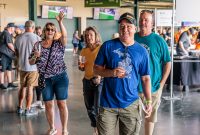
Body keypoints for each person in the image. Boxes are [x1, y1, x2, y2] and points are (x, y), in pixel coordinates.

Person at [94, 12, 152, 135]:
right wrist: (111, 72)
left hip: (130, 104)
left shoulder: (142, 51)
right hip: (108, 105)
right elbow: (96, 69)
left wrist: (148, 101)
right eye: (122, 26)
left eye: (129, 26)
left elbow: (146, 78)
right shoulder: (107, 46)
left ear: (135, 29)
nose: (125, 29)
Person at [29, 11, 69, 135]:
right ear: (44, 32)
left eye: (52, 29)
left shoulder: (59, 43)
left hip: (60, 76)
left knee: (61, 103)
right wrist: (35, 57)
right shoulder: (37, 45)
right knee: (48, 104)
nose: (50, 31)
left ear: (55, 31)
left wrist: (60, 22)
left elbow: (65, 35)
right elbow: (30, 62)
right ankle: (52, 127)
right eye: (48, 29)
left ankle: (65, 129)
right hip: (45, 78)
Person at [135, 10, 171, 135]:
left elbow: (167, 62)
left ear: (152, 23)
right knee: (132, 120)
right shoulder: (132, 38)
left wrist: (161, 85)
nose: (143, 22)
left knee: (149, 119)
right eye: (141, 19)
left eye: (146, 20)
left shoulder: (159, 41)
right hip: (133, 88)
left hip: (153, 88)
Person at [78, 26, 102, 135]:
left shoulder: (101, 48)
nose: (88, 37)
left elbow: (106, 64)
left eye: (91, 35)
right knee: (89, 108)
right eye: (86, 35)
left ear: (96, 36)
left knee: (97, 108)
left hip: (99, 81)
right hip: (87, 80)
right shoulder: (84, 50)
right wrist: (81, 67)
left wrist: (100, 77)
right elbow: (83, 66)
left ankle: (100, 130)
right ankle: (95, 127)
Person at [15, 20, 41, 116]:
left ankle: (19, 107)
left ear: (25, 27)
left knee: (22, 87)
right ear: (33, 28)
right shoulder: (37, 38)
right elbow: (39, 54)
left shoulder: (18, 38)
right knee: (30, 87)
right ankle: (28, 109)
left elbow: (16, 52)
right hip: (33, 67)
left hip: (22, 66)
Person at [0, 23, 18, 89]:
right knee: (2, 69)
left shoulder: (6, 33)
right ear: (11, 28)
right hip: (4, 54)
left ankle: (10, 83)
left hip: (8, 55)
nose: (14, 29)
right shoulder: (6, 33)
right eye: (14, 28)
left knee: (9, 69)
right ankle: (1, 84)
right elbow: (9, 44)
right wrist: (15, 51)